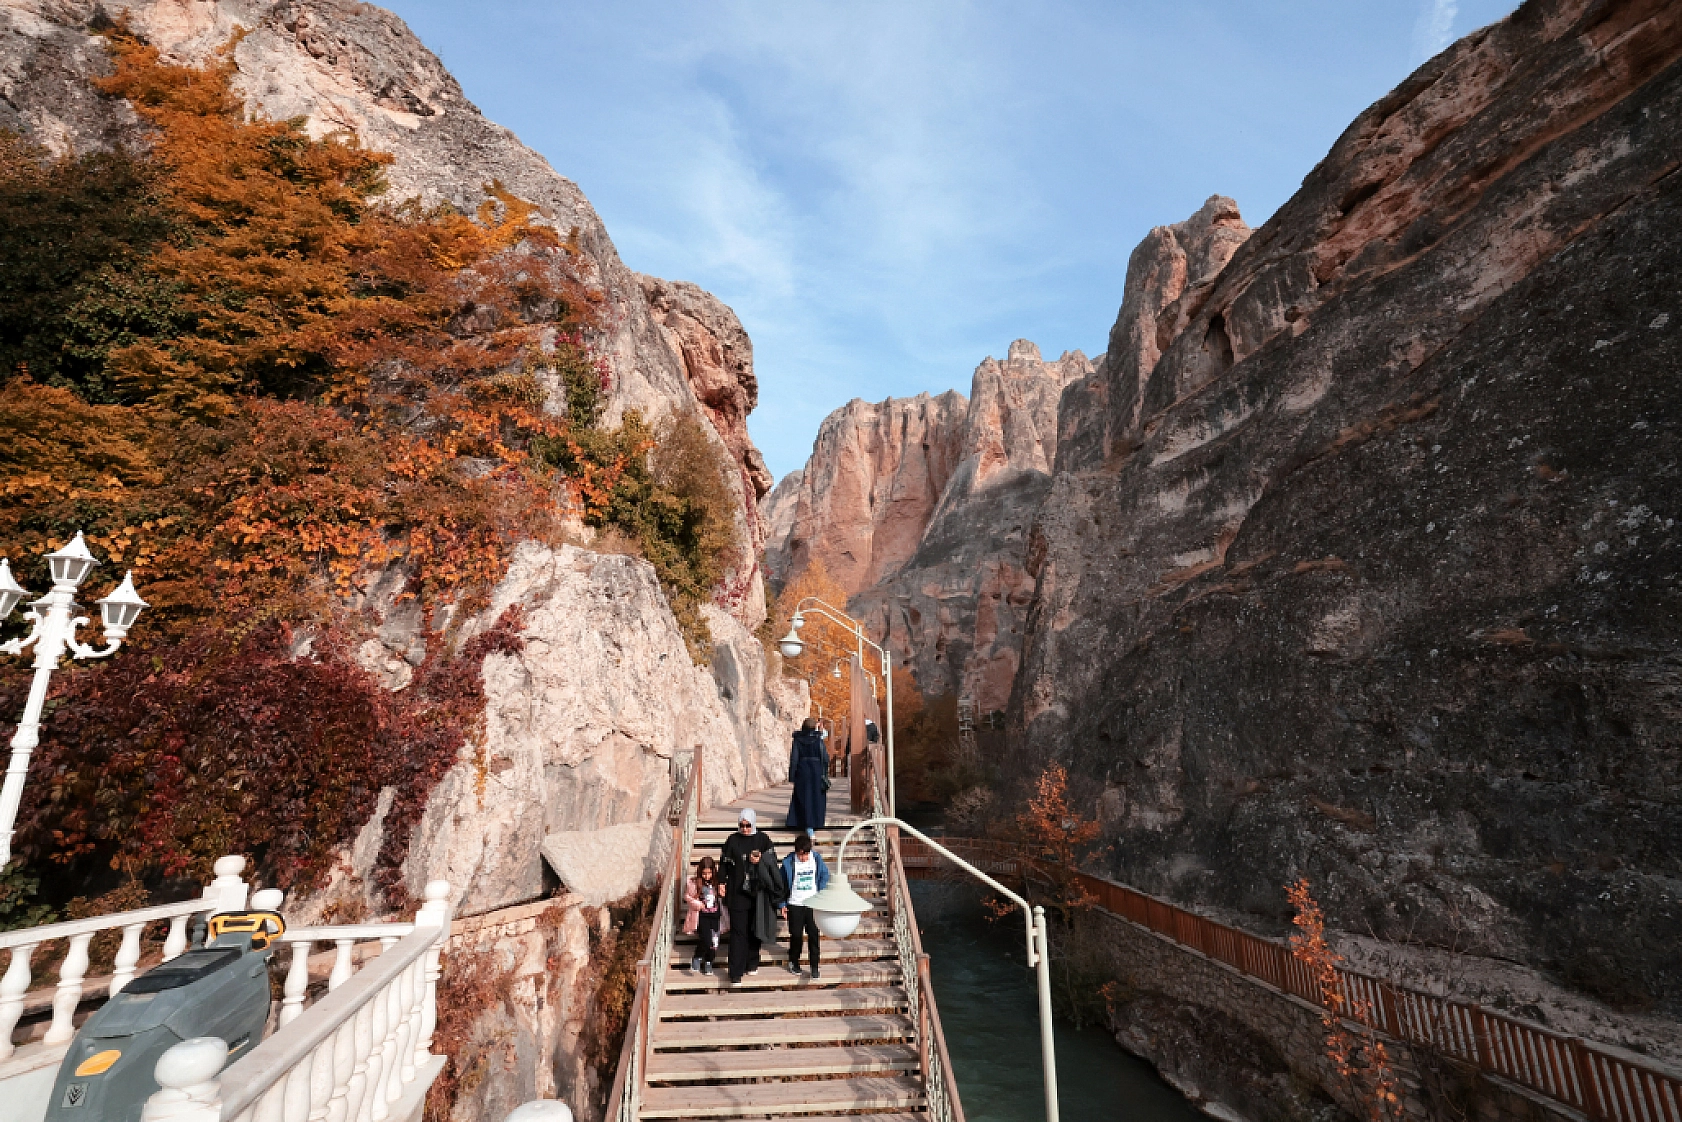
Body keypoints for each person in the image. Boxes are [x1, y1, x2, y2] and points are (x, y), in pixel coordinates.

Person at [719, 807, 782, 983]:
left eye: (748, 825)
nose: (745, 829)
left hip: (758, 894)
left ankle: (752, 963)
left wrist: (760, 858)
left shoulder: (763, 840)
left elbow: (773, 863)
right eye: (742, 825)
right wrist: (721, 882)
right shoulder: (732, 840)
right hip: (737, 893)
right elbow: (724, 863)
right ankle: (735, 972)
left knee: (756, 929)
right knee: (739, 933)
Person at [780, 832, 830, 978]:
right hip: (795, 903)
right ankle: (794, 961)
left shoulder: (816, 859)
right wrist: (783, 904)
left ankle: (814, 965)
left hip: (812, 904)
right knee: (796, 935)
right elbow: (781, 884)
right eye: (800, 855)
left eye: (805, 854)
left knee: (814, 935)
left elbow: (824, 875)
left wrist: (820, 893)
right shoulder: (788, 863)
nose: (803, 858)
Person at [682, 856, 728, 974]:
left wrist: (723, 893)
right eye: (704, 874)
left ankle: (709, 962)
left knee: (714, 942)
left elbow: (722, 897)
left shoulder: (717, 882)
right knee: (706, 940)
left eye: (709, 873)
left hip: (716, 916)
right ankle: (697, 957)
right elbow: (687, 897)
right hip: (703, 916)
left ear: (713, 871)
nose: (707, 876)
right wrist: (698, 904)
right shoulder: (694, 883)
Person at [785, 718, 829, 835]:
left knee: (802, 796)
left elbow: (794, 758)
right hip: (816, 770)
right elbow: (825, 757)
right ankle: (815, 822)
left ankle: (799, 821)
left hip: (802, 769)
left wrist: (792, 775)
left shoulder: (798, 739)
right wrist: (825, 772)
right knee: (816, 797)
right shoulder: (818, 739)